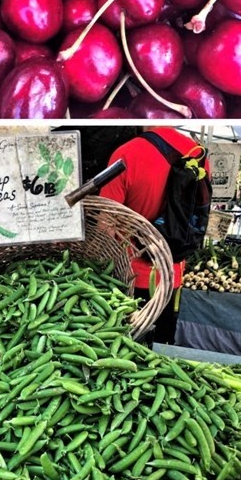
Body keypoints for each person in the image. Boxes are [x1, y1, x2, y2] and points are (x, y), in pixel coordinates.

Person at [99, 127, 210, 345]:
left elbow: (106, 227)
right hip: (172, 275)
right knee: (160, 350)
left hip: (130, 280)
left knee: (126, 350)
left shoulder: (126, 154)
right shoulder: (198, 153)